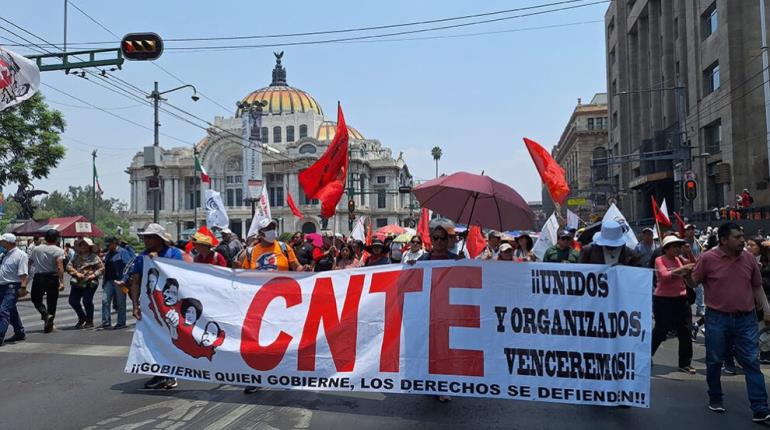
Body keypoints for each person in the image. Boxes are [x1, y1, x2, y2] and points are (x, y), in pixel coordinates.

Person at [692, 222, 770, 422]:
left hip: (746, 319)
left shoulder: (750, 259)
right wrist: (683, 274)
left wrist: (767, 308)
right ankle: (715, 398)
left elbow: (757, 286)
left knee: (752, 362)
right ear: (724, 240)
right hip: (717, 318)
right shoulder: (707, 258)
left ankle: (760, 408)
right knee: (715, 360)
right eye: (737, 237)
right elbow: (694, 282)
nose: (742, 240)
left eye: (742, 236)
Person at [241, 219, 303, 394]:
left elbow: (296, 267)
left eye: (274, 228)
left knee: (285, 340)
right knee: (256, 342)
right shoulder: (251, 251)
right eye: (269, 229)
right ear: (260, 233)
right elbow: (242, 274)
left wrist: (304, 269)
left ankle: (286, 374)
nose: (273, 231)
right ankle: (255, 377)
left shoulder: (284, 248)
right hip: (259, 305)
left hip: (283, 304)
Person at [127, 223, 185, 390]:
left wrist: (158, 261)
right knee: (153, 339)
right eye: (145, 237)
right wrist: (135, 305)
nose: (146, 241)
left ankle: (172, 373)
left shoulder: (173, 254)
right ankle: (159, 373)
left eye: (150, 237)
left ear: (159, 239)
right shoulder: (141, 257)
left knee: (171, 338)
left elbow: (179, 275)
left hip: (170, 304)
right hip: (150, 305)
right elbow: (136, 281)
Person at [410, 218, 461, 403]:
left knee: (445, 350)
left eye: (443, 238)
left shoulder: (456, 260)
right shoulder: (423, 260)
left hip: (448, 312)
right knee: (429, 348)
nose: (439, 241)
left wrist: (464, 266)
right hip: (428, 311)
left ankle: (443, 385)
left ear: (448, 240)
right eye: (436, 237)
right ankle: (430, 381)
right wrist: (409, 270)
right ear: (431, 239)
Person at [651, 236, 696, 374]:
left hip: (681, 299)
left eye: (679, 246)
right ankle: (645, 355)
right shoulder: (660, 260)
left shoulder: (680, 259)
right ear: (666, 249)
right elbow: (664, 276)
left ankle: (685, 363)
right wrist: (682, 269)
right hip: (663, 300)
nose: (677, 249)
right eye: (674, 246)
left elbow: (694, 265)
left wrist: (689, 253)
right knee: (660, 331)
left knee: (686, 331)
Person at [28, 229, 65, 333]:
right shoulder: (58, 250)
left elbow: (30, 262)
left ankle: (45, 314)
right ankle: (49, 323)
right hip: (52, 278)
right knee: (52, 302)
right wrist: (61, 281)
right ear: (56, 238)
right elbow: (59, 266)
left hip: (38, 277)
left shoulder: (36, 249)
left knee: (35, 299)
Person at [66, 238, 104, 329]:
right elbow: (68, 266)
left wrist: (94, 275)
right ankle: (82, 317)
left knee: (87, 301)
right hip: (78, 281)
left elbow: (101, 268)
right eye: (82, 245)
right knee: (73, 301)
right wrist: (76, 273)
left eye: (85, 245)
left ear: (89, 247)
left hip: (90, 281)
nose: (83, 246)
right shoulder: (76, 256)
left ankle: (90, 321)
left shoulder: (94, 257)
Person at [0, 233, 27, 345]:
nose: (0, 243)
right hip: (2, 286)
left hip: (12, 287)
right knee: (11, 311)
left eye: (2, 241)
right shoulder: (3, 254)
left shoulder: (21, 255)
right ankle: (19, 332)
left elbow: (23, 273)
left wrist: (23, 287)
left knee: (3, 311)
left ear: (8, 242)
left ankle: (0, 335)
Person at [101, 237, 134, 329]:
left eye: (109, 244)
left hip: (120, 281)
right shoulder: (108, 254)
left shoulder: (123, 252)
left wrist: (124, 280)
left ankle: (121, 322)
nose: (108, 246)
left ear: (114, 243)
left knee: (120, 302)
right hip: (109, 281)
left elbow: (129, 267)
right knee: (105, 300)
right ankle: (106, 322)